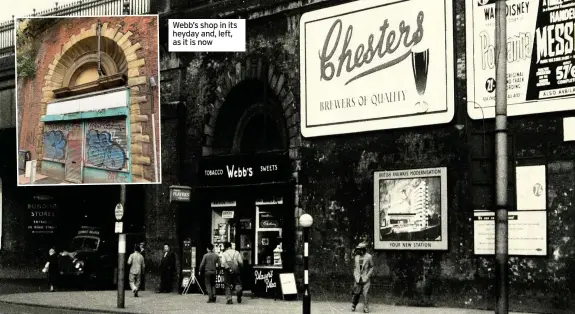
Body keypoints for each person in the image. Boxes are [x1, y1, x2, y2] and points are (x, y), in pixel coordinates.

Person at [351, 242, 374, 313]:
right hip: (358, 278)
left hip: (365, 278)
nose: (358, 251)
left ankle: (366, 308)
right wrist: (355, 275)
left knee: (365, 293)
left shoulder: (369, 257)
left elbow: (372, 267)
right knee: (356, 293)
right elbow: (355, 268)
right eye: (358, 249)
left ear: (364, 249)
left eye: (360, 249)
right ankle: (354, 305)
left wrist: (367, 276)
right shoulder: (356, 257)